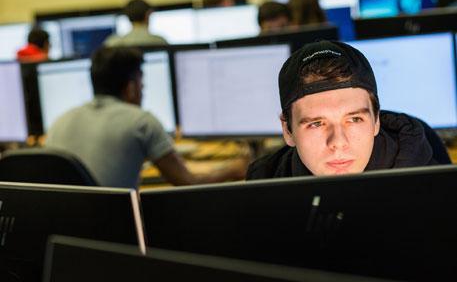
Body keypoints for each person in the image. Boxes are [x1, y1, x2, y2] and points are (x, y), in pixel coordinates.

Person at [247, 40, 451, 180]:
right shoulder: (264, 184)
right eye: (316, 124)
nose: (338, 143)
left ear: (376, 120)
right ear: (288, 131)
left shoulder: (430, 184)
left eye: (354, 119)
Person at [45, 47, 247, 188]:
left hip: (66, 235)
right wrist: (234, 170)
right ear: (131, 87)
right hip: (115, 233)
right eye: (142, 83)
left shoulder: (59, 122)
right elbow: (187, 182)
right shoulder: (141, 122)